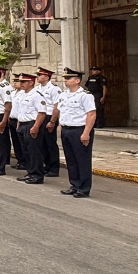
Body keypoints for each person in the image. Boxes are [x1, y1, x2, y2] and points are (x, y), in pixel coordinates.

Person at [55, 68, 98, 198]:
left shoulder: (85, 95)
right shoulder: (63, 95)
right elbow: (63, 112)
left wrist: (86, 133)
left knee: (82, 159)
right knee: (71, 160)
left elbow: (91, 114)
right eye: (65, 78)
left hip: (80, 130)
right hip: (67, 129)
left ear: (77, 80)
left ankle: (84, 188)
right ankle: (74, 184)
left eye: (68, 78)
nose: (65, 80)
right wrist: (61, 128)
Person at [15, 74, 47, 184]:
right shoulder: (22, 94)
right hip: (23, 124)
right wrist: (19, 124)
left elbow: (42, 113)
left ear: (31, 83)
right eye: (21, 82)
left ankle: (37, 175)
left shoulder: (36, 95)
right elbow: (21, 111)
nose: (21, 84)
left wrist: (36, 127)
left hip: (32, 124)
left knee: (34, 151)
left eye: (24, 82)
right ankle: (30, 172)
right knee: (26, 151)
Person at [37, 67, 61, 177]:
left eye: (39, 75)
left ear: (46, 77)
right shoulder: (38, 88)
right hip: (40, 116)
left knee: (50, 143)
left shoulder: (54, 89)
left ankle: (54, 168)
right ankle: (46, 165)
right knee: (42, 143)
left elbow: (57, 106)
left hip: (49, 117)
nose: (37, 77)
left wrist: (52, 121)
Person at [9, 77, 25, 170]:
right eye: (14, 81)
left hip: (20, 120)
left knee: (22, 142)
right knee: (15, 142)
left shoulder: (23, 94)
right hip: (12, 119)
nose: (15, 83)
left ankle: (24, 161)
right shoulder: (13, 93)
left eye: (17, 81)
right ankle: (19, 160)